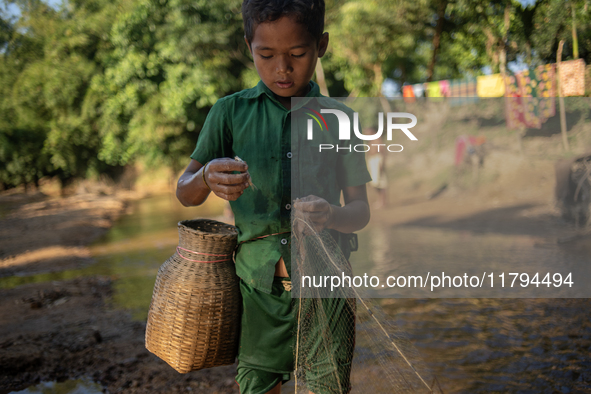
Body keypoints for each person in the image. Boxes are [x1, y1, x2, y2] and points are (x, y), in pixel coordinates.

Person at [176, 1, 371, 393]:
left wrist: (330, 214)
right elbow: (185, 191)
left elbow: (360, 211)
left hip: (326, 290)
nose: (282, 68)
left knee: (327, 387)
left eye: (297, 54)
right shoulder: (229, 113)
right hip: (255, 291)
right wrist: (207, 176)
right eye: (266, 55)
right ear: (249, 45)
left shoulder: (340, 119)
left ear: (321, 46)